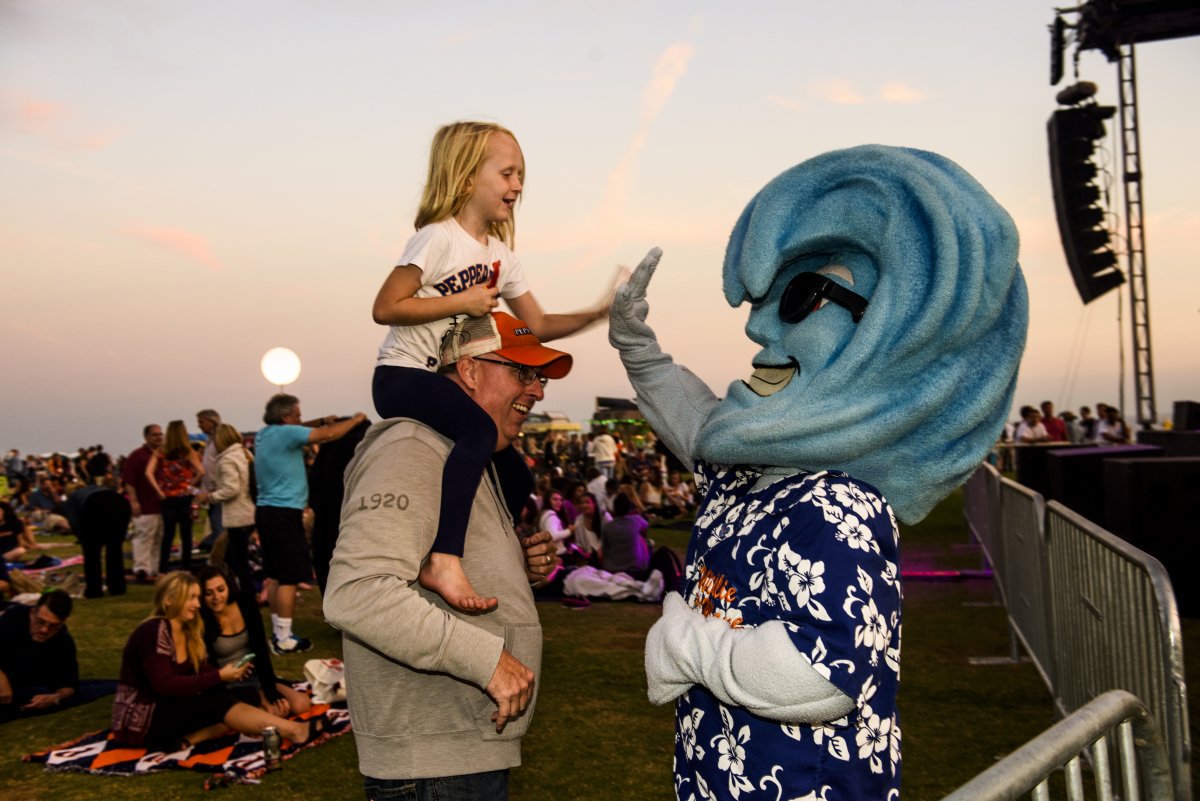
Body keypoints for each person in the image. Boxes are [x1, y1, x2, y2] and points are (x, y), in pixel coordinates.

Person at [368, 121, 622, 616]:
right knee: (480, 431)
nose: (518, 186)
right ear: (466, 179)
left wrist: (596, 312)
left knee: (517, 471)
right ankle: (443, 557)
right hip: (400, 374)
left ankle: (495, 549)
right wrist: (461, 300)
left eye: (521, 175)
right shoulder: (436, 239)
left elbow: (538, 324)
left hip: (439, 378)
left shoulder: (502, 257)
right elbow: (385, 307)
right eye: (507, 173)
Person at [324, 312, 566, 801]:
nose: (538, 390)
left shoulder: (470, 454)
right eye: (522, 372)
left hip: (458, 751)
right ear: (470, 370)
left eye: (539, 376)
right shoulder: (413, 447)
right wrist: (489, 661)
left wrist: (512, 566)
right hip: (433, 766)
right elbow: (356, 593)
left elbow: (427, 564)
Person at [112, 572, 326, 752]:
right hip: (143, 717)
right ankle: (294, 731)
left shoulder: (190, 631)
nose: (197, 604)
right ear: (168, 600)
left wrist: (237, 683)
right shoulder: (152, 631)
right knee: (222, 703)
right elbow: (165, 686)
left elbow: (207, 674)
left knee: (245, 696)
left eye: (197, 597)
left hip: (172, 709)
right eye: (191, 598)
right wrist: (219, 676)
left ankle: (187, 740)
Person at [255, 394, 367, 654]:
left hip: (266, 513)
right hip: (284, 514)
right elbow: (326, 435)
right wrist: (357, 420)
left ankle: (277, 633)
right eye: (296, 415)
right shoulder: (285, 434)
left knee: (273, 574)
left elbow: (304, 427)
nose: (300, 419)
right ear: (285, 417)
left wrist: (320, 419)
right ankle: (284, 639)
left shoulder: (265, 434)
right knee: (288, 577)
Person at [196, 565, 311, 719]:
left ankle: (259, 703)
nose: (216, 597)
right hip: (227, 683)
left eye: (221, 589)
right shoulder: (200, 619)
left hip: (256, 675)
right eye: (209, 593)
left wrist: (271, 691)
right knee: (272, 714)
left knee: (301, 705)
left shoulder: (245, 601)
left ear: (229, 586)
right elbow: (206, 668)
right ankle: (251, 710)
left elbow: (261, 650)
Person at [0, 590, 79, 723]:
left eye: (53, 626)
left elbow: (70, 685)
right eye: (40, 622)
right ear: (32, 613)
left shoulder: (63, 642)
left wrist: (55, 698)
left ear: (63, 622)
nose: (44, 630)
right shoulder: (14, 616)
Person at [196, 424, 256, 595]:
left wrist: (210, 497)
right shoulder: (245, 454)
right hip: (249, 512)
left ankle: (247, 595)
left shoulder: (227, 459)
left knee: (239, 562)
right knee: (232, 556)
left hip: (237, 516)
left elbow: (232, 489)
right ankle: (241, 590)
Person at [146, 421, 204, 574]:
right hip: (184, 497)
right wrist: (190, 486)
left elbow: (148, 472)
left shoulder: (161, 451)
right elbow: (201, 472)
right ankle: (186, 567)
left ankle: (163, 569)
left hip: (167, 498)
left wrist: (159, 490)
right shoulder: (188, 451)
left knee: (168, 535)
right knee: (186, 535)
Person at [61, 484, 132, 598]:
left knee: (92, 553)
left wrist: (84, 539)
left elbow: (74, 522)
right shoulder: (97, 487)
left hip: (95, 506)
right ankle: (117, 587)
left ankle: (94, 590)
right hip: (122, 504)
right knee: (115, 549)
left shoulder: (72, 498)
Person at [123, 425, 165, 582]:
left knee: (160, 538)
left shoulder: (164, 454)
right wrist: (134, 501)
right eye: (155, 435)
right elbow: (129, 481)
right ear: (146, 436)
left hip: (163, 505)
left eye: (160, 434)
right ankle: (141, 567)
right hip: (146, 505)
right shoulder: (138, 456)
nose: (159, 437)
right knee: (144, 536)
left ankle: (154, 568)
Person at [599, 494, 652, 580]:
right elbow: (646, 524)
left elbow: (604, 551)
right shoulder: (636, 520)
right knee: (642, 540)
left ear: (614, 509)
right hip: (635, 569)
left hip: (612, 569)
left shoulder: (607, 527)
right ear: (628, 508)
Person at [195, 410, 223, 552]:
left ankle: (222, 561)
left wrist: (217, 487)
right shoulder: (209, 440)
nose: (199, 425)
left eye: (201, 422)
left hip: (218, 492)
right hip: (211, 493)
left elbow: (222, 465)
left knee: (219, 531)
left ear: (211, 422)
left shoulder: (219, 440)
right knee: (216, 527)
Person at [570, 492, 609, 558]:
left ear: (594, 504)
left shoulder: (604, 516)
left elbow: (611, 538)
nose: (584, 505)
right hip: (589, 557)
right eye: (582, 503)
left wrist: (601, 551)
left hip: (606, 555)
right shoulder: (578, 520)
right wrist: (579, 552)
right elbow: (579, 543)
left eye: (587, 502)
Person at [537, 489, 569, 555]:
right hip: (557, 555)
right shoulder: (550, 515)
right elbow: (552, 536)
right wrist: (569, 531)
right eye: (555, 499)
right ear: (547, 501)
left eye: (560, 500)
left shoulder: (543, 513)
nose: (559, 502)